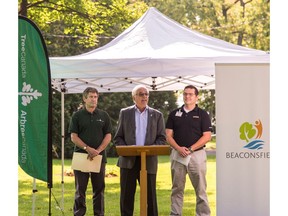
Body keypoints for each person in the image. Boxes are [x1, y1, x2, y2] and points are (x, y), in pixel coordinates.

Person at [114, 84, 166, 216]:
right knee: (126, 196)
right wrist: (127, 148)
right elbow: (118, 137)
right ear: (134, 97)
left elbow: (162, 138)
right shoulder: (125, 113)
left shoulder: (157, 115)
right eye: (141, 94)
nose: (144, 97)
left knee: (150, 198)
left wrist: (152, 148)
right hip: (128, 161)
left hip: (148, 161)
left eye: (146, 94)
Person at [166, 85, 212, 216]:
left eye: (191, 94)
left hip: (196, 155)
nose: (187, 96)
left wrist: (191, 149)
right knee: (177, 189)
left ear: (196, 97)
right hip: (178, 154)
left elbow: (207, 136)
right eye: (185, 94)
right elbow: (168, 135)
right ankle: (175, 214)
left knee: (201, 189)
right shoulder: (174, 114)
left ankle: (203, 214)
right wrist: (178, 148)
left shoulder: (202, 114)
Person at [68, 87, 112, 216]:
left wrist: (98, 150)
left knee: (99, 189)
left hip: (99, 158)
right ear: (84, 98)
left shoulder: (104, 115)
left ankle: (99, 214)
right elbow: (73, 137)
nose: (93, 99)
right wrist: (87, 148)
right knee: (80, 190)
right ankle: (79, 213)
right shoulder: (77, 116)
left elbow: (108, 135)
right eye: (91, 97)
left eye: (95, 97)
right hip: (81, 156)